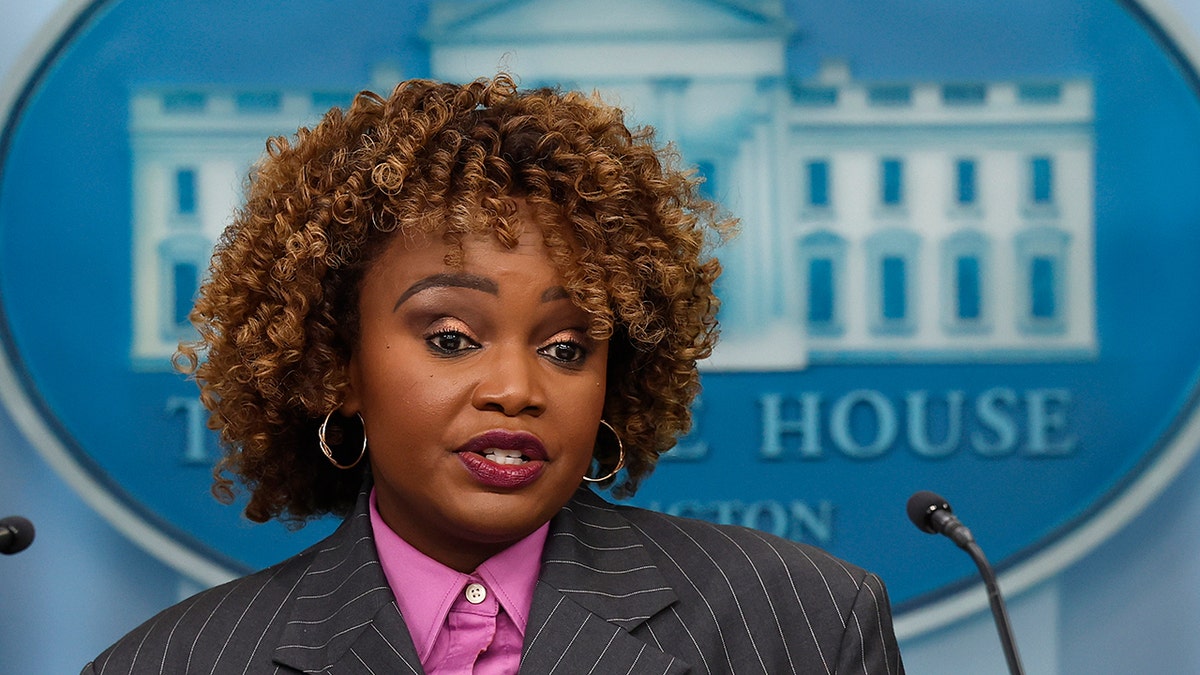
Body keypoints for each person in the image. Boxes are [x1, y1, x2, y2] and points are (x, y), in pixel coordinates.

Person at [84, 74, 905, 674]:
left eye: (566, 347)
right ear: (337, 366)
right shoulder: (172, 663)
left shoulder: (805, 625)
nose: (516, 387)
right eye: (450, 337)